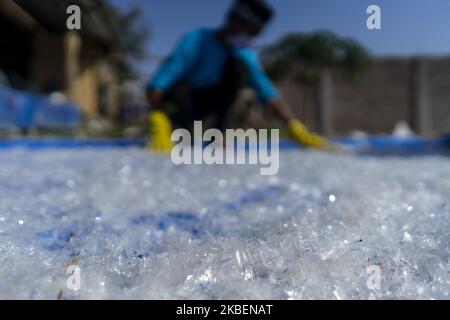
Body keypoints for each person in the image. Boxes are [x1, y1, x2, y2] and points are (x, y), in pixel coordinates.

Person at [146, 0, 333, 152]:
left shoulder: (243, 55)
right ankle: (170, 127)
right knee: (180, 119)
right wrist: (157, 116)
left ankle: (217, 136)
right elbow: (158, 84)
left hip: (207, 105)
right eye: (250, 33)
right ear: (235, 21)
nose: (251, 39)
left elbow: (268, 93)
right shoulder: (196, 40)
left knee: (238, 68)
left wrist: (295, 128)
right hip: (182, 102)